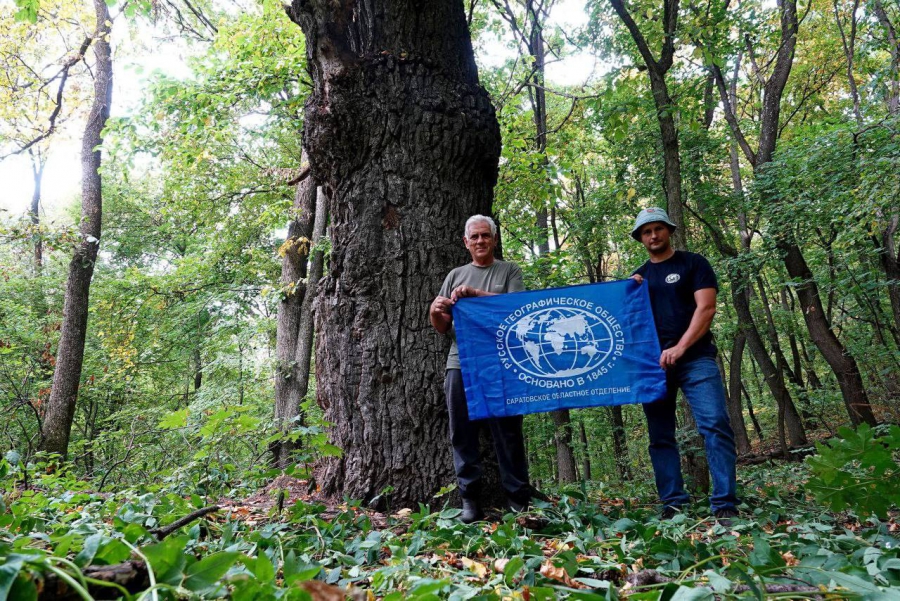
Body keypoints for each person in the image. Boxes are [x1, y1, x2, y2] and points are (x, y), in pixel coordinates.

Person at [629, 207, 739, 521]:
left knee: (715, 425)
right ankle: (673, 504)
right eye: (646, 231)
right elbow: (626, 323)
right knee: (660, 436)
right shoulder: (638, 279)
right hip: (654, 368)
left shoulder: (694, 263)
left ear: (669, 230)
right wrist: (627, 291)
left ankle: (725, 504)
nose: (653, 236)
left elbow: (706, 309)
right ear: (640, 238)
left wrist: (680, 347)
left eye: (658, 229)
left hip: (696, 359)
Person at [429, 214, 532, 523]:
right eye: (474, 237)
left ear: (494, 238)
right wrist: (435, 311)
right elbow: (442, 326)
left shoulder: (509, 270)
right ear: (466, 242)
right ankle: (470, 502)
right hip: (460, 363)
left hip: (503, 364)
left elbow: (517, 311)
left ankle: (517, 500)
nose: (480, 241)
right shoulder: (455, 275)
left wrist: (475, 296)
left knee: (508, 433)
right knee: (462, 433)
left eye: (485, 235)